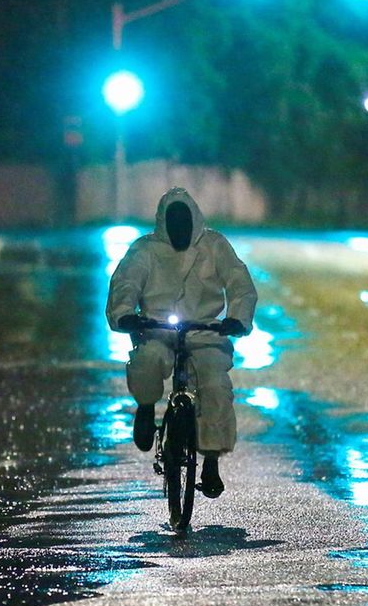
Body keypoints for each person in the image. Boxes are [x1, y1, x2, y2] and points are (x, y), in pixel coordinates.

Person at [106, 187, 257, 498]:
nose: (179, 229)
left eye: (183, 221)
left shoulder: (214, 246)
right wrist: (125, 314)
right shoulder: (145, 251)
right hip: (158, 330)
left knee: (215, 386)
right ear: (163, 223)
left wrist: (237, 318)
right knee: (146, 362)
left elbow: (239, 281)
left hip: (205, 334)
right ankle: (146, 407)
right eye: (172, 222)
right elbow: (126, 282)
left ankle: (211, 460)